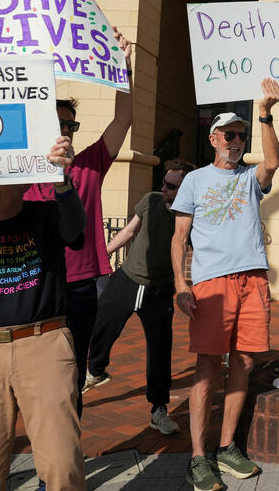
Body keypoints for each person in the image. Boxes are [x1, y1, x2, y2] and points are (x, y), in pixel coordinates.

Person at [0, 16, 135, 491]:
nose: (64, 131)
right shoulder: (13, 170)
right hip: (33, 293)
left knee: (65, 391)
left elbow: (123, 120)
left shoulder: (87, 164)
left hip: (82, 291)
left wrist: (123, 66)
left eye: (69, 125)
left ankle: (48, 481)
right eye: (54, 124)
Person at [0, 137, 88, 491]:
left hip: (43, 346)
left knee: (62, 469)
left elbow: (75, 228)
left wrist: (62, 180)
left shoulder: (46, 215)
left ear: (24, 181)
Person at [171, 79, 279, 491]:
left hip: (253, 277)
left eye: (241, 134)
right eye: (229, 134)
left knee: (246, 362)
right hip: (213, 283)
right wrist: (182, 282)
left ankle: (225, 447)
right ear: (214, 138)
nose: (236, 141)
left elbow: (272, 162)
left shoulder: (251, 178)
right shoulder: (195, 180)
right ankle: (198, 458)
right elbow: (179, 238)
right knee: (206, 368)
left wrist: (266, 114)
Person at [84, 159, 196, 436]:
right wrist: (103, 255)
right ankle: (96, 369)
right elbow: (130, 230)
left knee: (160, 351)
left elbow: (197, 248)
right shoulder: (150, 200)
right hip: (126, 280)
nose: (164, 188)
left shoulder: (190, 216)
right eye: (164, 183)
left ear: (185, 189)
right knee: (101, 327)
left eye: (171, 186)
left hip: (159, 289)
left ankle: (159, 410)